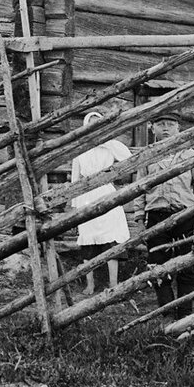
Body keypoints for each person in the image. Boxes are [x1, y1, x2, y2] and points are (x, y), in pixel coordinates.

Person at [143, 110, 194, 318]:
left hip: (185, 216)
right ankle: (168, 312)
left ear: (178, 128)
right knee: (157, 268)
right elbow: (139, 190)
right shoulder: (147, 156)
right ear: (152, 128)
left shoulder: (189, 155)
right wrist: (138, 219)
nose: (165, 129)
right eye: (160, 124)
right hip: (156, 216)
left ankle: (185, 313)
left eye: (170, 124)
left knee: (186, 267)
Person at [70, 111, 132, 295]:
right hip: (86, 195)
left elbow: (126, 156)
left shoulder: (109, 146)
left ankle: (113, 282)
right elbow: (75, 180)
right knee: (88, 239)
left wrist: (106, 139)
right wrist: (74, 208)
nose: (95, 128)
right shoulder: (80, 149)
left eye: (99, 124)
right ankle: (90, 284)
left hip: (106, 191)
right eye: (91, 124)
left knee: (110, 237)